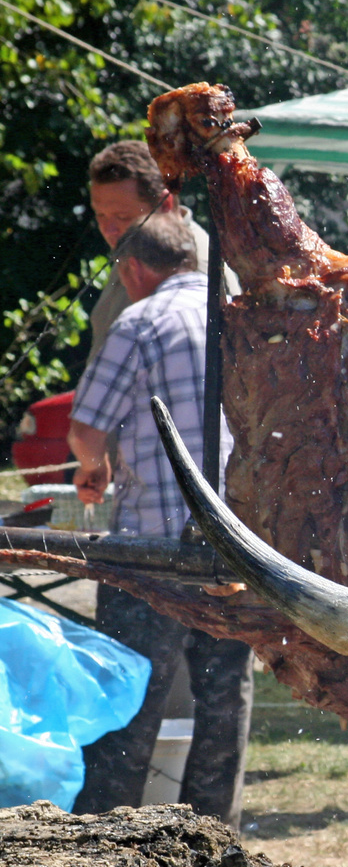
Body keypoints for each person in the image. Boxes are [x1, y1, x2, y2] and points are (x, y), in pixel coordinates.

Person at [66, 213, 254, 826]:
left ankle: (110, 837)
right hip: (236, 543)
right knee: (223, 698)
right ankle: (211, 834)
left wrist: (91, 466)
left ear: (135, 268)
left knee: (128, 697)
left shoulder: (140, 320)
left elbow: (86, 428)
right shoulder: (237, 316)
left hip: (153, 545)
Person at [87, 140, 234, 357]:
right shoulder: (133, 248)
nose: (108, 229)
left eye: (122, 217)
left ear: (164, 204)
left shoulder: (201, 268)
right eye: (101, 215)